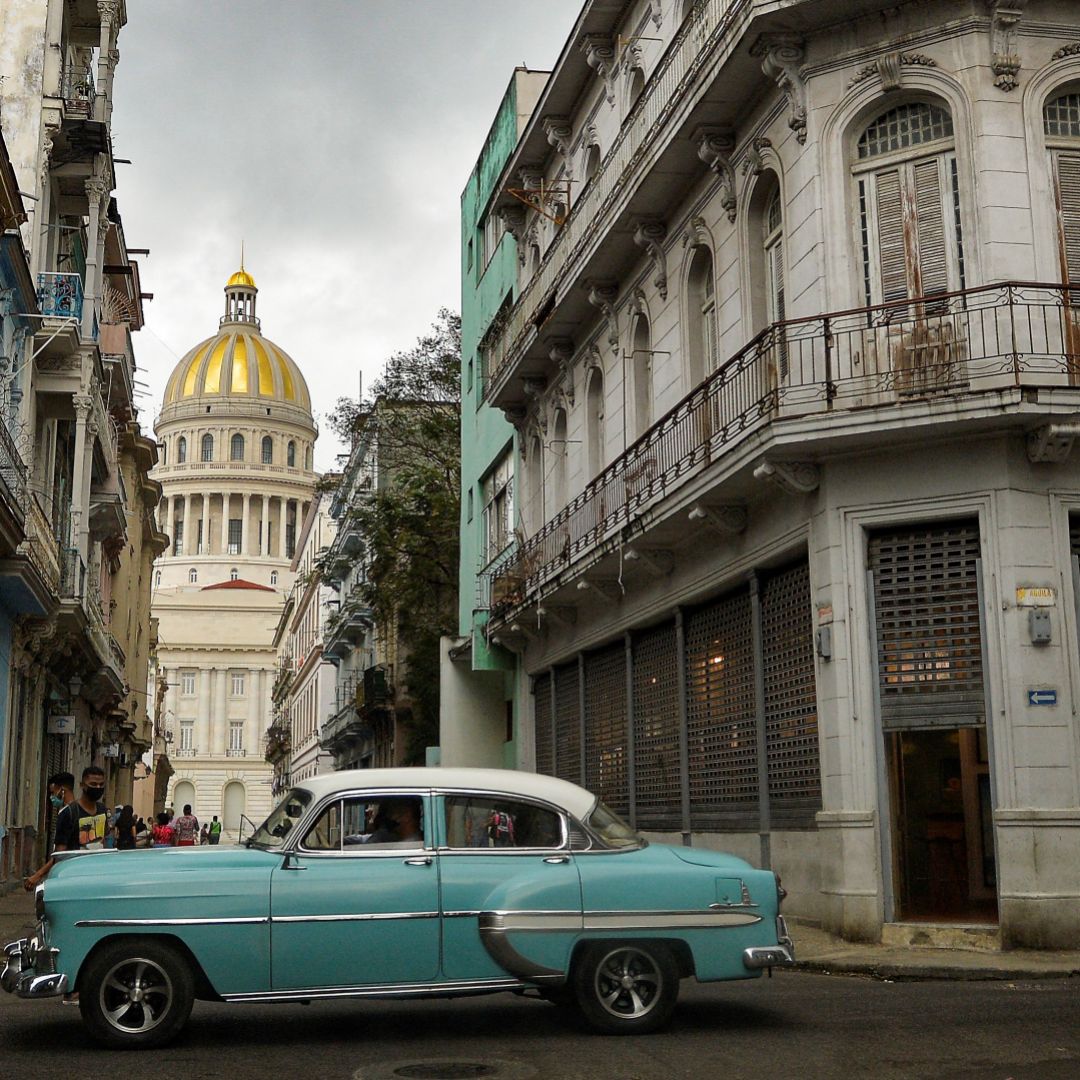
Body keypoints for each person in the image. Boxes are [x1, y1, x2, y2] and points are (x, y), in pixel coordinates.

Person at [23, 766, 108, 890]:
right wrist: (41, 876)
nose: (98, 788)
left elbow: (102, 842)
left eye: (101, 785)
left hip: (96, 877)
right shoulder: (69, 813)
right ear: (82, 785)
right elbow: (60, 855)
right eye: (93, 784)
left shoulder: (102, 811)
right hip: (73, 878)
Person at [22, 772, 75, 891]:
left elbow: (59, 855)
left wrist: (38, 875)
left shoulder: (66, 814)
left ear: (62, 790)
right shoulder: (78, 810)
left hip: (64, 872)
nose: (52, 797)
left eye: (53, 793)